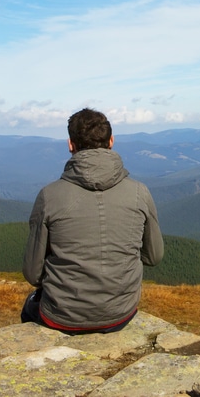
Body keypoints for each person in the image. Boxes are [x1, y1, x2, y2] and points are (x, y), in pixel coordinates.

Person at [22, 108, 163, 333]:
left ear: (71, 144)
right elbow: (154, 256)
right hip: (121, 314)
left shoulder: (49, 196)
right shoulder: (140, 192)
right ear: (111, 141)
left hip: (62, 317)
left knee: (29, 308)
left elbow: (32, 273)